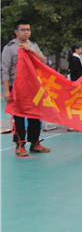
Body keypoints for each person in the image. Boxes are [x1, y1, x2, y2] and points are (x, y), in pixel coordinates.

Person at [2, 21, 50, 157]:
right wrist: (6, 90)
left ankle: (35, 143)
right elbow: (5, 69)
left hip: (33, 87)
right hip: (16, 86)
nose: (26, 32)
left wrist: (32, 50)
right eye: (23, 30)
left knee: (35, 115)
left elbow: (42, 61)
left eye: (28, 29)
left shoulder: (33, 45)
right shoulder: (10, 48)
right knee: (19, 116)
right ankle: (20, 145)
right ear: (16, 31)